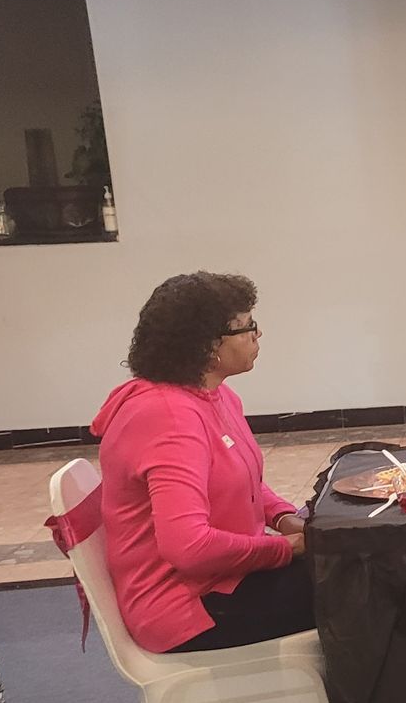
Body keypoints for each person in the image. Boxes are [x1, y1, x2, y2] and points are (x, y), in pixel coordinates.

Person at [90, 272, 311, 653]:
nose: (258, 336)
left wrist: (286, 519)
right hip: (186, 607)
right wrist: (286, 549)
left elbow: (246, 482)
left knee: (362, 570)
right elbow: (188, 547)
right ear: (210, 346)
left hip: (225, 580)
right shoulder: (168, 418)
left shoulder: (215, 397)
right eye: (247, 328)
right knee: (367, 591)